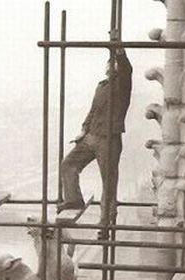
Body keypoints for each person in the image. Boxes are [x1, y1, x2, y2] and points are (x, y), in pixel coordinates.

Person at [58, 42, 132, 225]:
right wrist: (83, 131)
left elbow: (126, 69)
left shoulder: (122, 86)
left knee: (108, 182)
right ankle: (73, 200)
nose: (111, 65)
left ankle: (106, 220)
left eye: (114, 63)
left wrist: (119, 52)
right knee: (68, 165)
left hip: (109, 139)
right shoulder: (101, 87)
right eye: (110, 62)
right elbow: (92, 111)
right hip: (91, 136)